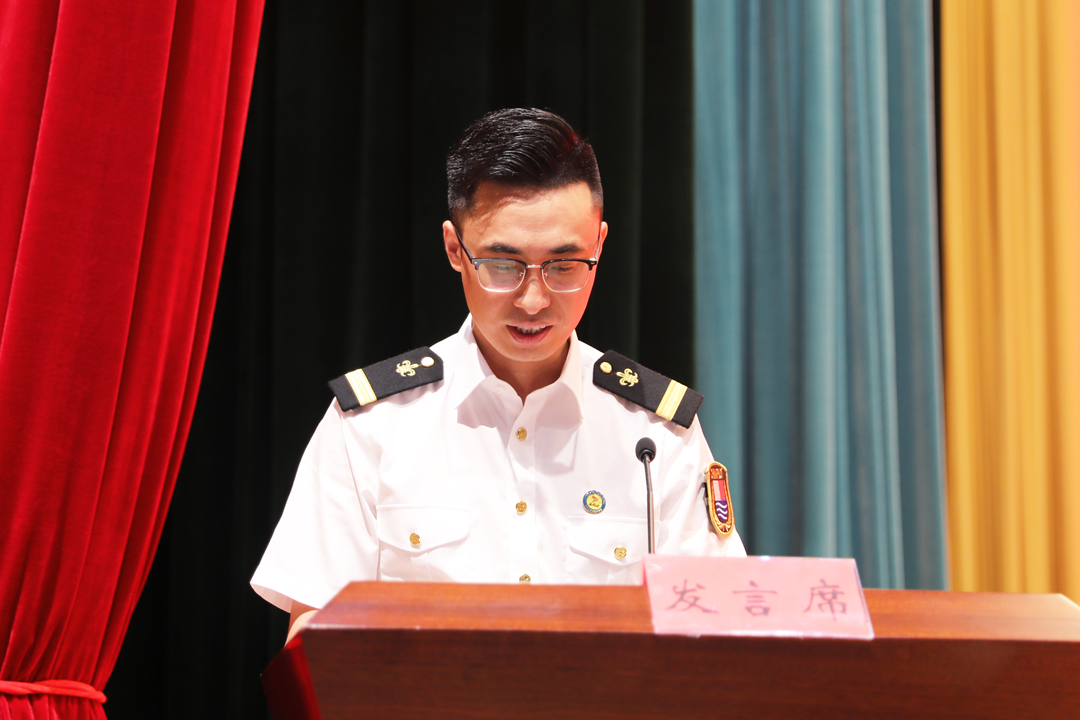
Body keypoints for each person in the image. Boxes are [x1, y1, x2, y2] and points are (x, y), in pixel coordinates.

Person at [251, 108, 745, 642]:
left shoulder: (658, 434)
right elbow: (313, 638)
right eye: (503, 265)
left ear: (599, 246)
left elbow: (716, 629)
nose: (533, 301)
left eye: (563, 265)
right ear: (454, 249)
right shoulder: (372, 425)